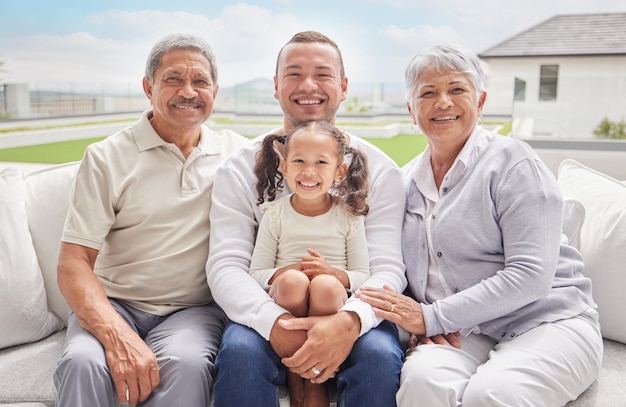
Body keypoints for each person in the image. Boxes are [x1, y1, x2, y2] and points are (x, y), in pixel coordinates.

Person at [355, 43, 603, 407]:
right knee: (423, 381)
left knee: (492, 394)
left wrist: (432, 317)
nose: (443, 102)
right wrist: (415, 324)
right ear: (411, 110)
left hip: (550, 321)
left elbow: (531, 275)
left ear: (480, 101)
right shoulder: (403, 184)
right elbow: (398, 272)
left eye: (457, 90)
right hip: (465, 329)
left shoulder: (513, 163)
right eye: (428, 93)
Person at [206, 31, 406, 407]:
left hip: (351, 307)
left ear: (344, 86)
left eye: (323, 74)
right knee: (241, 355)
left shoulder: (381, 171)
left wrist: (349, 322)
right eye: (294, 74)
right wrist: (275, 323)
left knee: (378, 357)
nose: (308, 86)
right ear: (277, 86)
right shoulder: (238, 170)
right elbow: (226, 266)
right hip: (266, 305)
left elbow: (387, 268)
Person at [54, 33, 249, 407]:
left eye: (200, 81)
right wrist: (116, 335)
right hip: (115, 303)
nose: (188, 91)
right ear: (149, 87)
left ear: (215, 91)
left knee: (188, 364)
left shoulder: (239, 155)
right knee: (82, 363)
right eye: (173, 79)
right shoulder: (106, 157)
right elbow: (74, 262)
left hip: (193, 311)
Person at [250, 120, 370, 406]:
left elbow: (364, 276)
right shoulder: (275, 214)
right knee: (292, 282)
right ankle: (296, 374)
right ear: (285, 167)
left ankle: (318, 378)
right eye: (299, 161)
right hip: (287, 301)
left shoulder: (348, 216)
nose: (308, 171)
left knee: (326, 286)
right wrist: (290, 270)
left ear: (339, 171)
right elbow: (256, 273)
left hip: (331, 304)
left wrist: (333, 273)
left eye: (320, 162)